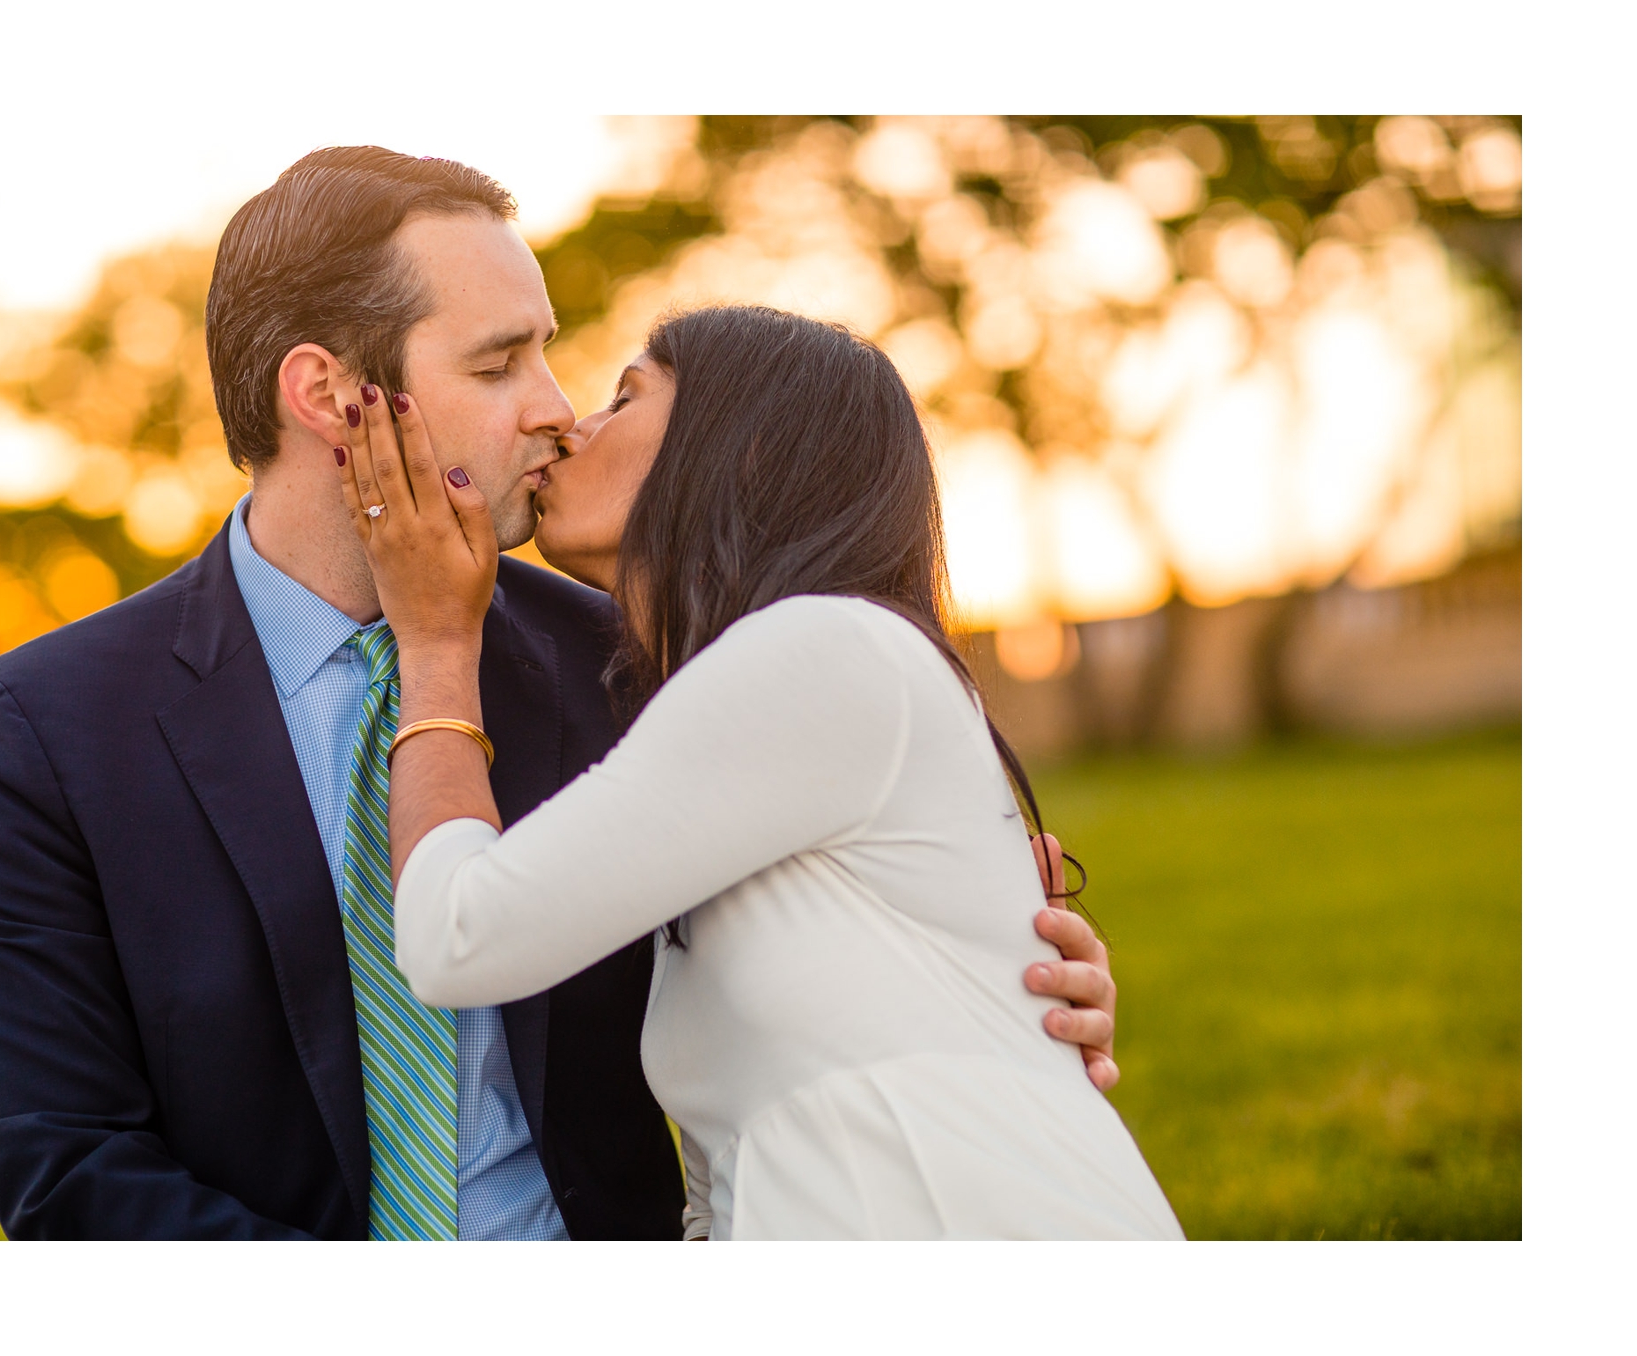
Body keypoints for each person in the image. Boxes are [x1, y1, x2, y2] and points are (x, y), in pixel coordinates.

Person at [0, 147, 1121, 1240]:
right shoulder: (47, 727)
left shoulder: (640, 667)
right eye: (500, 363)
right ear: (329, 397)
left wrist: (994, 974)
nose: (554, 409)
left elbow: (829, 922)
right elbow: (57, 1156)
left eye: (552, 357)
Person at [345, 303, 1183, 1239]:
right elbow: (722, 1193)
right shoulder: (747, 713)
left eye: (625, 397)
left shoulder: (826, 647)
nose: (569, 424)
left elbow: (459, 934)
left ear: (744, 452)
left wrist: (432, 644)